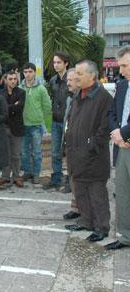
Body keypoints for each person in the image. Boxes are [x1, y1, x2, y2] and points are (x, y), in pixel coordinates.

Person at [65, 60, 113, 243]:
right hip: (76, 155)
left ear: (92, 76)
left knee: (97, 194)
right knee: (81, 192)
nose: (76, 77)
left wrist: (90, 146)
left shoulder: (103, 98)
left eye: (79, 73)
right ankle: (86, 221)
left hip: (93, 157)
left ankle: (101, 227)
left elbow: (105, 129)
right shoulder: (78, 96)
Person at [105, 46, 130, 250]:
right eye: (120, 65)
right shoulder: (121, 86)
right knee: (122, 192)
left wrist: (124, 133)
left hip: (125, 139)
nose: (121, 70)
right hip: (122, 147)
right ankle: (125, 236)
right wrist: (116, 132)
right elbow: (112, 112)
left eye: (125, 65)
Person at [19, 63, 52, 184]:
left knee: (37, 152)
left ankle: (37, 174)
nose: (28, 74)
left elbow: (47, 106)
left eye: (30, 71)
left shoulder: (41, 88)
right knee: (24, 151)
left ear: (34, 72)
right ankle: (27, 172)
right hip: (23, 124)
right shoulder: (20, 88)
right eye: (25, 72)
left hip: (36, 125)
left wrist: (40, 117)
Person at [43, 51, 70, 191]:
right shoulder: (53, 80)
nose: (56, 65)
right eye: (54, 62)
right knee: (55, 151)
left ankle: (70, 181)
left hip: (68, 121)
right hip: (55, 120)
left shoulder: (71, 79)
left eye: (59, 62)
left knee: (70, 152)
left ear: (66, 63)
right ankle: (56, 178)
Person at [0, 71, 25, 188]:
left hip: (17, 128)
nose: (13, 81)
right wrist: (12, 106)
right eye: (10, 79)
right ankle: (5, 176)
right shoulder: (0, 94)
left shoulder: (22, 93)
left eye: (15, 79)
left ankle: (16, 176)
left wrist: (9, 108)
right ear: (6, 80)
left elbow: (19, 108)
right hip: (4, 127)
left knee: (16, 154)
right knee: (5, 153)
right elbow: (2, 110)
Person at [62, 68, 81, 221]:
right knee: (73, 177)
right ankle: (76, 207)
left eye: (70, 80)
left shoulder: (86, 99)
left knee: (81, 178)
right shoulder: (71, 98)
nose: (67, 82)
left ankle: (85, 210)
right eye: (67, 80)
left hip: (81, 147)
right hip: (70, 145)